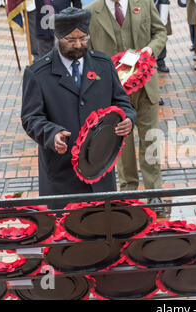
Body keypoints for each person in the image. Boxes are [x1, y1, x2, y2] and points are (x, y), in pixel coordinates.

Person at [21, 7, 136, 200]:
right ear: (58, 38)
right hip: (61, 175)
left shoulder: (104, 65)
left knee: (102, 226)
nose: (78, 45)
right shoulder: (38, 73)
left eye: (83, 38)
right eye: (71, 40)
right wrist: (52, 133)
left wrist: (129, 119)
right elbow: (31, 118)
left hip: (100, 170)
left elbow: (122, 102)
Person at [86, 0, 167, 205]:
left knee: (150, 139)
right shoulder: (90, 12)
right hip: (113, 92)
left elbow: (160, 33)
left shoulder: (145, 3)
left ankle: (154, 192)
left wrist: (150, 49)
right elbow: (88, 54)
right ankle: (128, 192)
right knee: (122, 142)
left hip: (145, 86)